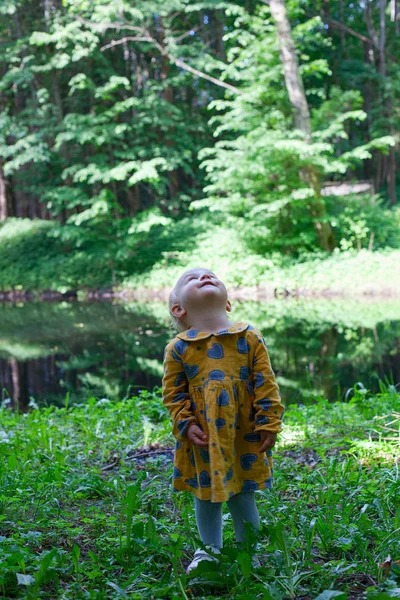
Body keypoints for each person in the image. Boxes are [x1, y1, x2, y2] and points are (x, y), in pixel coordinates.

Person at [162, 267, 284, 574]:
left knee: (243, 494)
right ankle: (208, 551)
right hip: (202, 435)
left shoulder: (249, 337)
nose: (205, 277)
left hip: (243, 433)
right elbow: (173, 394)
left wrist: (269, 421)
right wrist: (185, 424)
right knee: (206, 495)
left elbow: (265, 382)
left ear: (227, 302)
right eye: (192, 278)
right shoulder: (179, 347)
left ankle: (249, 552)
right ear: (179, 308)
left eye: (211, 275)